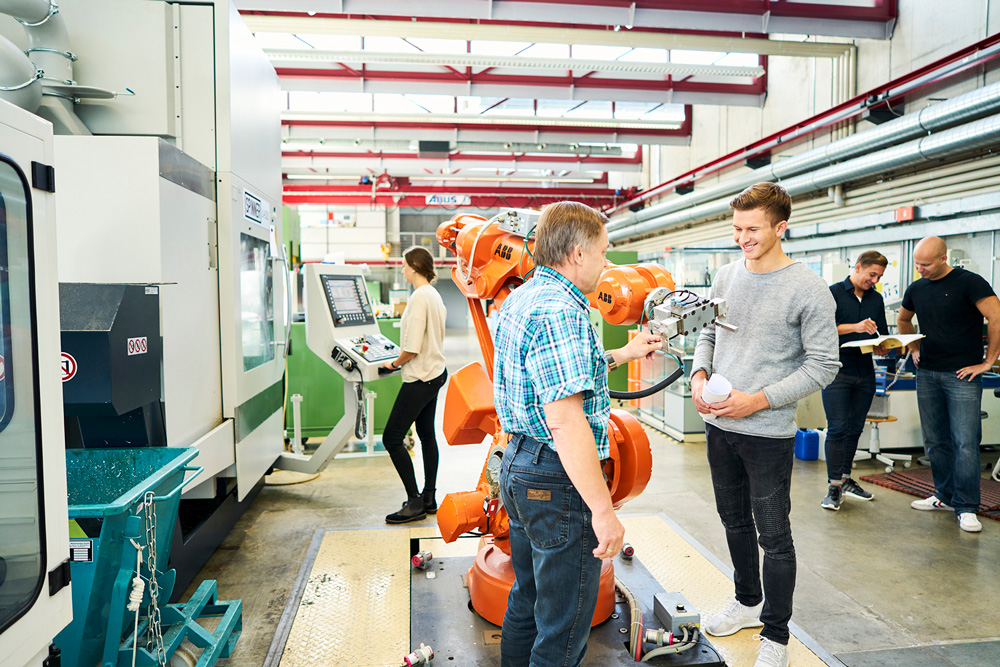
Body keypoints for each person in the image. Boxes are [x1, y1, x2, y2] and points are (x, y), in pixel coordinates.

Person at [492, 201, 662, 667]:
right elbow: (566, 423)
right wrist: (603, 512)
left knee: (528, 597)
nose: (607, 262)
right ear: (578, 253)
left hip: (518, 465)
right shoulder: (561, 312)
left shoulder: (525, 295)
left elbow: (553, 375)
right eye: (604, 252)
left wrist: (623, 353)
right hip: (555, 477)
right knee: (563, 626)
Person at [691, 183, 839, 667]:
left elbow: (824, 365)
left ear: (781, 227)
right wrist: (698, 373)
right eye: (737, 228)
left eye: (752, 229)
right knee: (733, 521)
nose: (742, 238)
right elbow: (708, 332)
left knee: (773, 536)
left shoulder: (808, 288)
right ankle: (747, 601)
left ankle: (776, 635)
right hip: (719, 426)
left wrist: (757, 401)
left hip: (767, 434)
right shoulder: (726, 275)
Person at [897, 236, 1000, 534]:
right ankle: (945, 495)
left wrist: (988, 362)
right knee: (935, 440)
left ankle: (967, 507)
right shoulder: (916, 288)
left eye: (926, 264)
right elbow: (903, 320)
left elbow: (996, 317)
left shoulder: (970, 283)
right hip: (928, 373)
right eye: (917, 264)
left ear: (944, 258)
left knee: (965, 443)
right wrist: (913, 348)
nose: (920, 269)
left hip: (962, 376)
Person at [381, 246, 448, 524]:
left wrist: (394, 363)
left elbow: (411, 347)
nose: (402, 270)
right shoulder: (433, 295)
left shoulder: (419, 297)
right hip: (435, 372)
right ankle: (429, 497)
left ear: (414, 267)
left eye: (404, 265)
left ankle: (414, 501)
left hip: (420, 376)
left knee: (391, 438)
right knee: (426, 435)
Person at [820, 251, 890, 511]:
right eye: (872, 275)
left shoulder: (876, 299)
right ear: (858, 267)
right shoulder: (833, 293)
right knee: (837, 428)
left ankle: (846, 479)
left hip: (865, 372)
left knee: (855, 428)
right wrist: (855, 327)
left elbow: (881, 333)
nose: (875, 281)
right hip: (837, 372)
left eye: (879, 277)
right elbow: (821, 329)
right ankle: (833, 487)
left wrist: (882, 345)